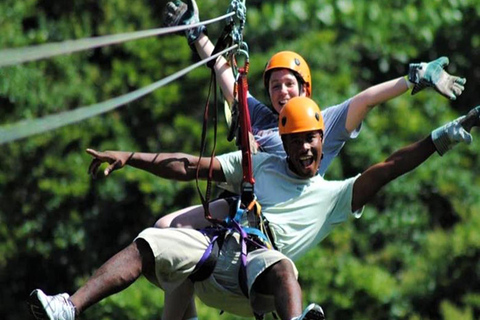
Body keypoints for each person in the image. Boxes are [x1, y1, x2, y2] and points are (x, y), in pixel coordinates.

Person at [28, 97, 480, 320]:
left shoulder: (334, 196)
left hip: (257, 284)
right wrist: (130, 157)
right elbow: (190, 166)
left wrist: (438, 138)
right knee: (149, 242)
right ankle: (70, 306)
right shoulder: (261, 164)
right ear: (282, 142)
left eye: (312, 139)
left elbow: (388, 168)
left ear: (324, 140)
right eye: (296, 140)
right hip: (216, 254)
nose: (305, 148)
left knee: (282, 267)